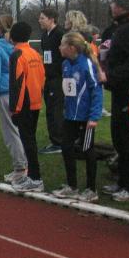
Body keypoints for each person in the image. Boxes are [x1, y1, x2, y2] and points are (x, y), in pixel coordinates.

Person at [51, 32, 103, 202]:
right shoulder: (65, 64)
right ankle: (72, 186)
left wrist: (93, 117)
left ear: (71, 48)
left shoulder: (86, 64)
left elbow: (96, 91)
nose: (59, 47)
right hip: (70, 116)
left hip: (85, 117)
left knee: (87, 149)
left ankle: (91, 189)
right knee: (66, 147)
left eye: (62, 44)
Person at [103, 0, 129, 202]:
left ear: (123, 6)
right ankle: (122, 180)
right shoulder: (120, 28)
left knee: (126, 139)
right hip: (119, 91)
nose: (111, 6)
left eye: (114, 3)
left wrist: (110, 75)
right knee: (119, 139)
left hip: (128, 92)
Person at [0, 15, 28, 185]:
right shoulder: (18, 46)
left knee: (11, 132)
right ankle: (24, 164)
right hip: (21, 90)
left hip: (6, 92)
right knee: (21, 130)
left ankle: (20, 168)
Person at [8, 21, 46, 193]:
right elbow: (42, 77)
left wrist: (14, 109)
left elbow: (17, 84)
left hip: (24, 104)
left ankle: (35, 178)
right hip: (35, 101)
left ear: (13, 36)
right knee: (30, 139)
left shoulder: (17, 54)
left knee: (28, 140)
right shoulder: (35, 53)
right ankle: (32, 174)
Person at [38, 7, 65, 154]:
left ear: (51, 19)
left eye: (42, 18)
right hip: (48, 78)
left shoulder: (60, 34)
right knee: (50, 109)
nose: (39, 20)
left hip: (58, 78)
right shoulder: (44, 35)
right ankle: (55, 140)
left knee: (56, 110)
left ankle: (59, 142)